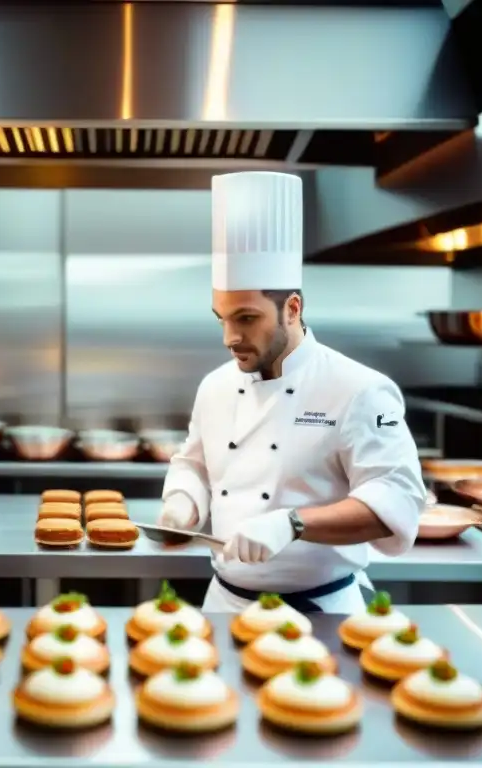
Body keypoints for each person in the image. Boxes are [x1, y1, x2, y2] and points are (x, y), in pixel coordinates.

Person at [157, 171, 426, 614]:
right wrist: (182, 503)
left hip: (323, 612)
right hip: (224, 605)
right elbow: (195, 465)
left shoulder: (358, 389)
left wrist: (293, 523)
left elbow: (396, 500)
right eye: (221, 318)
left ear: (292, 309)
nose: (229, 337)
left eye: (246, 318)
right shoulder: (215, 386)